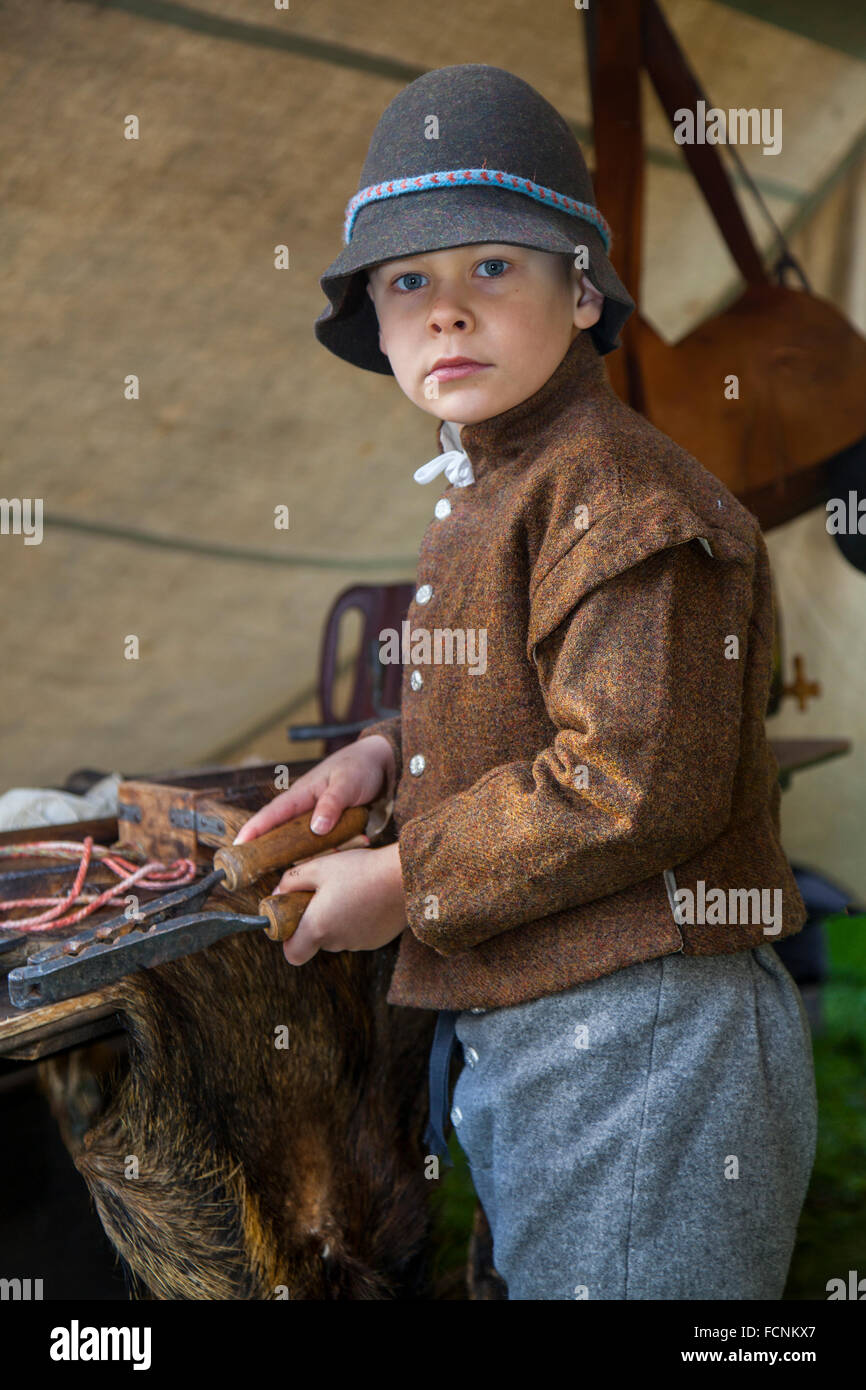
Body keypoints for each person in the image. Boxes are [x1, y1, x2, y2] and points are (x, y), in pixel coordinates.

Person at [235, 64, 817, 1300]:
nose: (446, 312)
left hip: (648, 1036)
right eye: (409, 283)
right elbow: (534, 688)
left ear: (582, 289)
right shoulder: (504, 481)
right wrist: (384, 757)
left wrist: (401, 878)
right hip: (548, 1026)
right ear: (378, 326)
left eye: (490, 268)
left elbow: (625, 783)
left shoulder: (619, 495)